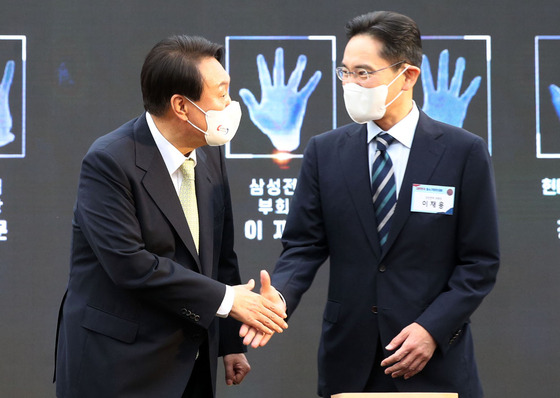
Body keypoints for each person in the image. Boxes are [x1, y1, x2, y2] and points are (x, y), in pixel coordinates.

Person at [241, 11, 499, 398]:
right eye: (344, 72)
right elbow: (303, 246)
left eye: (364, 73)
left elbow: (479, 262)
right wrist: (277, 298)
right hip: (349, 360)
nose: (350, 84)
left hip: (432, 360)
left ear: (407, 76)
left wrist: (433, 328)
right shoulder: (325, 151)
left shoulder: (464, 152)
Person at [54, 35, 288, 398]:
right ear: (182, 106)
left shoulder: (209, 153)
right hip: (119, 367)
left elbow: (220, 257)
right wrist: (229, 301)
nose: (230, 103)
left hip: (192, 362)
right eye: (221, 93)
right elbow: (131, 265)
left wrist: (229, 343)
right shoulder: (109, 161)